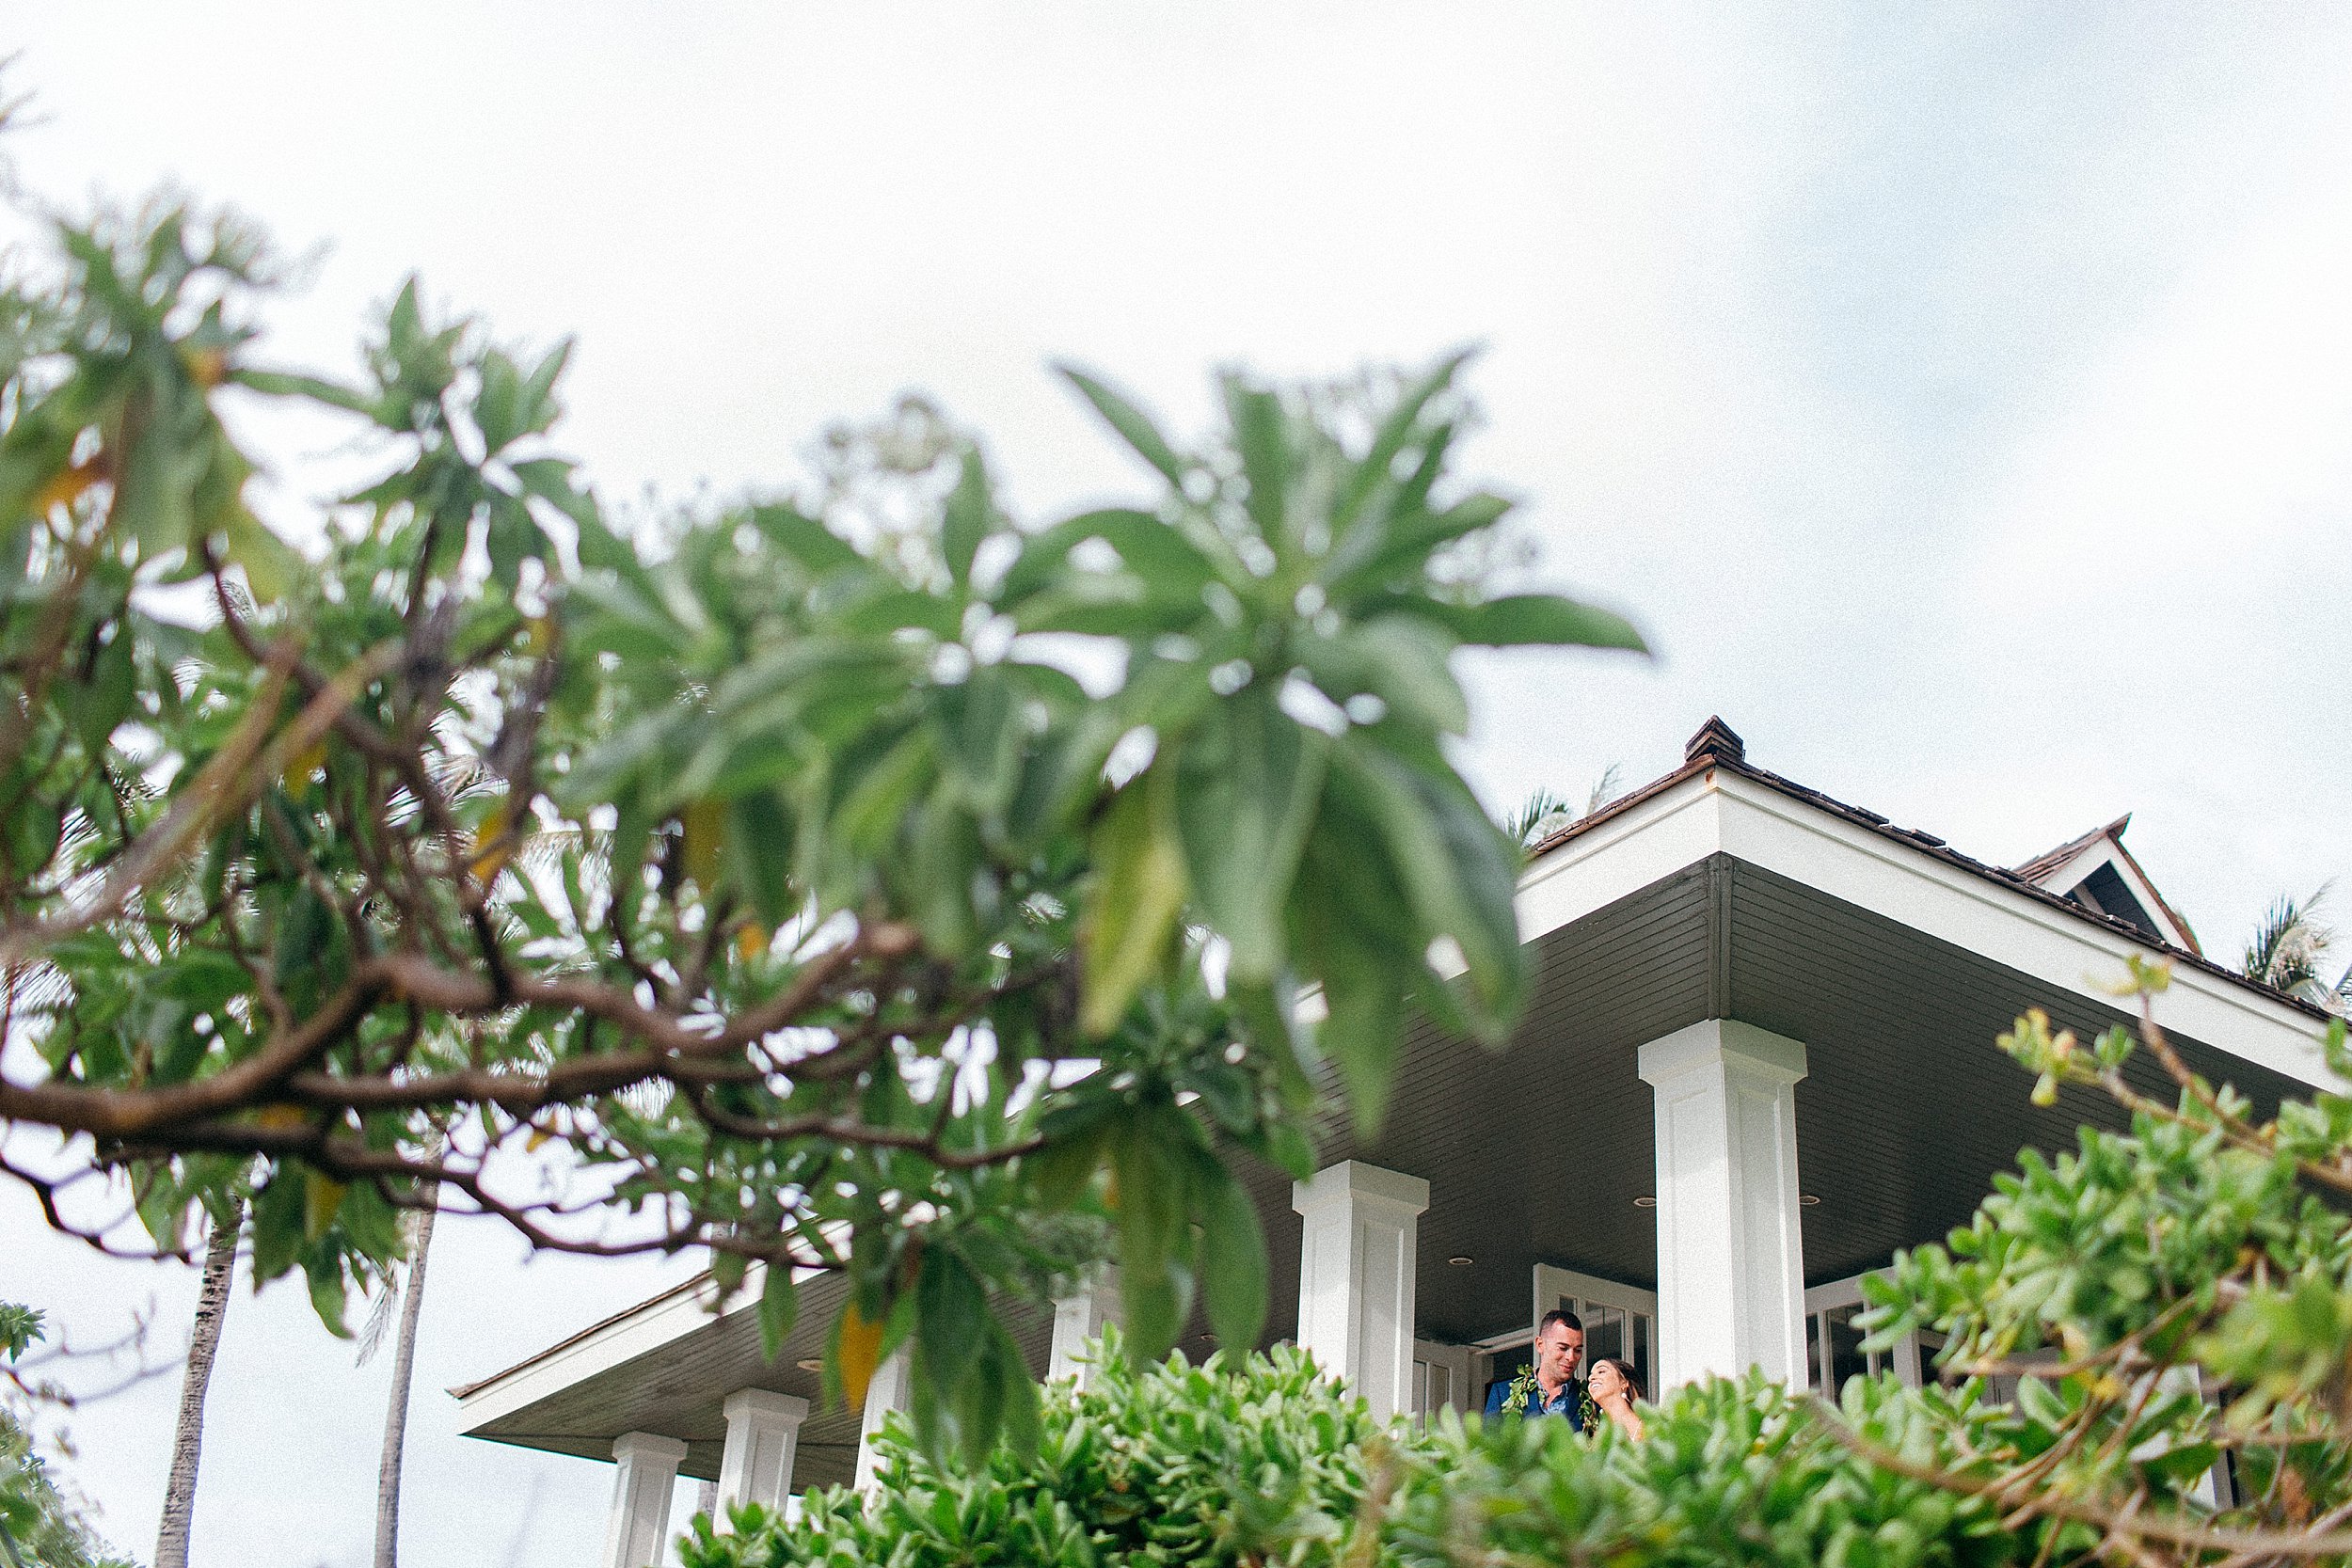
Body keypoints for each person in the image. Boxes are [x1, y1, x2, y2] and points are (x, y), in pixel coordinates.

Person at [1484, 1308, 1585, 1426]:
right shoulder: (1503, 1394)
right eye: (1563, 1348)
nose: (1571, 1357)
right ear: (1540, 1345)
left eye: (1577, 1350)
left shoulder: (1591, 1400)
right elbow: (1488, 1442)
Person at [1586, 1356, 1645, 1440]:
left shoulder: (1648, 1427)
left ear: (1623, 1382)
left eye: (1601, 1371)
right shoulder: (1598, 1437)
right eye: (1590, 1375)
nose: (1590, 1378)